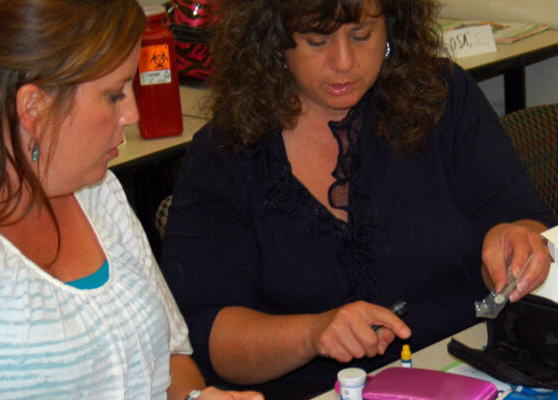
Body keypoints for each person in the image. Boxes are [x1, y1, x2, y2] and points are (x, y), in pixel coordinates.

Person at [159, 0, 555, 398]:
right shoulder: (226, 151)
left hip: (469, 376)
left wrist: (516, 246)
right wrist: (312, 334)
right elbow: (204, 337)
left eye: (362, 35)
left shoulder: (442, 97)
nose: (344, 62)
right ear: (273, 39)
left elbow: (524, 220)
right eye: (317, 41)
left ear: (391, 24)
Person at [0, 1, 264, 399]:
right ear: (33, 107)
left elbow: (171, 356)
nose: (133, 113)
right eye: (114, 95)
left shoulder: (95, 190)